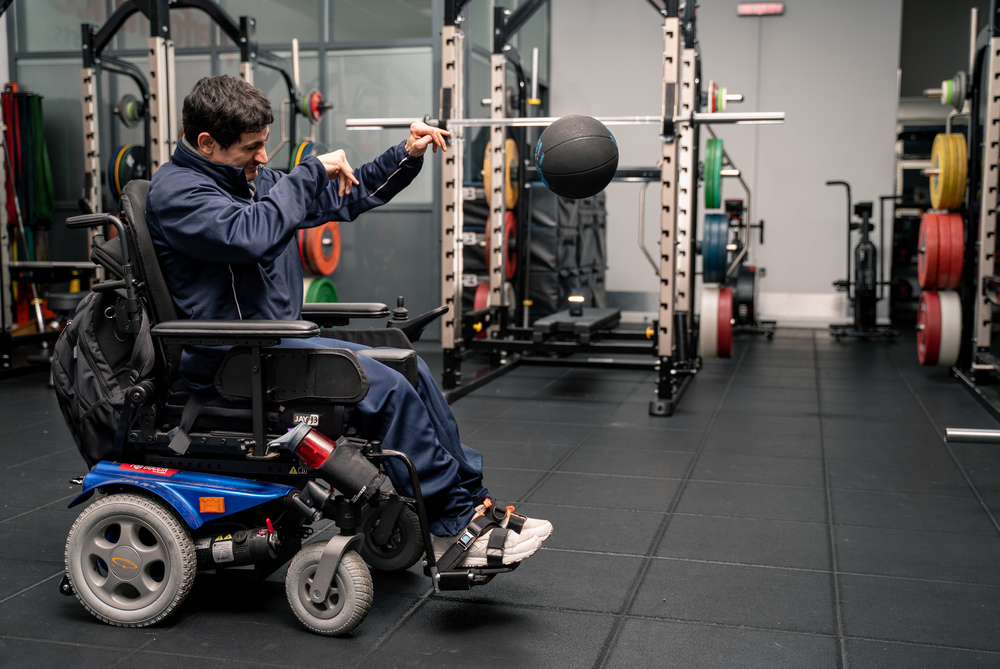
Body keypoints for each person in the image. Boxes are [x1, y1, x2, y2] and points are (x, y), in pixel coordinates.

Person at [144, 75, 551, 569]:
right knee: (382, 387)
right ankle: (451, 526)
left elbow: (345, 198)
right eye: (251, 148)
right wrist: (307, 173)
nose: (262, 157)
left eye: (264, 145)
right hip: (232, 361)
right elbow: (250, 235)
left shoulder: (250, 181)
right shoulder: (178, 193)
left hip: (273, 348)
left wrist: (406, 155)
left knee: (407, 367)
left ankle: (473, 504)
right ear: (206, 142)